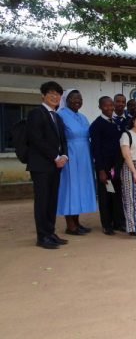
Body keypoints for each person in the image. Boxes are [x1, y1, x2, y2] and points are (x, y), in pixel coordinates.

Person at [27, 81, 69, 249]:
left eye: (58, 94)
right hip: (41, 165)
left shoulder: (57, 116)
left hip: (55, 165)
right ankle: (42, 236)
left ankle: (50, 233)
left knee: (52, 200)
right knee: (42, 200)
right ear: (43, 95)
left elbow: (63, 139)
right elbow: (37, 140)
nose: (55, 97)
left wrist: (64, 155)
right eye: (51, 94)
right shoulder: (36, 113)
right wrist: (56, 156)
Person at [56, 89, 97, 235]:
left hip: (84, 156)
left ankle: (77, 223)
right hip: (70, 156)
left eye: (79, 99)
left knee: (79, 188)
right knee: (70, 188)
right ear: (66, 100)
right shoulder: (60, 115)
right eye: (73, 99)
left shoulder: (82, 116)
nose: (77, 101)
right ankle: (70, 225)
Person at [90, 96, 126, 235]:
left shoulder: (116, 122)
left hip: (115, 165)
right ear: (100, 107)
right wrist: (101, 170)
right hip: (104, 165)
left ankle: (118, 223)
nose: (109, 108)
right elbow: (96, 150)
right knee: (105, 196)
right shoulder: (97, 125)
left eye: (111, 105)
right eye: (106, 106)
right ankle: (106, 225)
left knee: (117, 194)